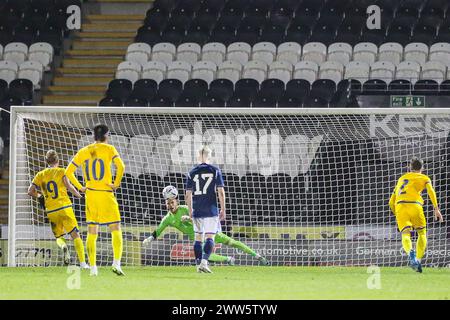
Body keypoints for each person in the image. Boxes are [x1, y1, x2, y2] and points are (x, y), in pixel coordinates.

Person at [143, 192, 269, 266]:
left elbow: (202, 217)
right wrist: (149, 239)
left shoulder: (185, 209)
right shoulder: (167, 219)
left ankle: (257, 256)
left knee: (233, 243)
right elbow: (158, 231)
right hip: (197, 239)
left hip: (207, 231)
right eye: (168, 203)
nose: (170, 205)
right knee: (205, 256)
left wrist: (189, 218)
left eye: (172, 202)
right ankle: (228, 260)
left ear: (176, 202)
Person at [65, 124, 125, 276]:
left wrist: (80, 187)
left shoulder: (85, 151)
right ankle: (116, 263)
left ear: (93, 136)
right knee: (115, 228)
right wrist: (116, 184)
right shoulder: (110, 149)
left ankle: (93, 268)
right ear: (106, 135)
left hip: (91, 194)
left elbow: (68, 172)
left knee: (92, 230)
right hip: (106, 193)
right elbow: (121, 166)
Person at [28, 150, 87, 268]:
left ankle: (64, 247)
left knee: (59, 237)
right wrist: (80, 196)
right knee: (76, 235)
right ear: (58, 160)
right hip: (64, 207)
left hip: (51, 210)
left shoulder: (40, 174)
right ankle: (83, 264)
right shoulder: (62, 171)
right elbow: (69, 187)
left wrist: (39, 196)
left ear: (46, 161)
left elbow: (30, 191)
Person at [389, 157, 444, 273]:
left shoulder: (402, 178)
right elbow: (431, 191)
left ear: (410, 167)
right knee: (422, 233)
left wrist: (397, 213)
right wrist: (436, 209)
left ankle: (410, 253)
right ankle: (418, 260)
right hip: (415, 205)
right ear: (422, 168)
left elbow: (390, 201)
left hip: (400, 206)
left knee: (405, 234)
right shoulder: (424, 178)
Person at [185, 145, 225, 273]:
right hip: (211, 209)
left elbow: (188, 194)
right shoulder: (215, 170)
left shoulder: (192, 172)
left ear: (198, 156)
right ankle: (204, 263)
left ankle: (198, 266)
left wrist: (190, 210)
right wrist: (223, 208)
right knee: (210, 237)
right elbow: (221, 192)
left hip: (197, 209)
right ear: (210, 156)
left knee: (198, 238)